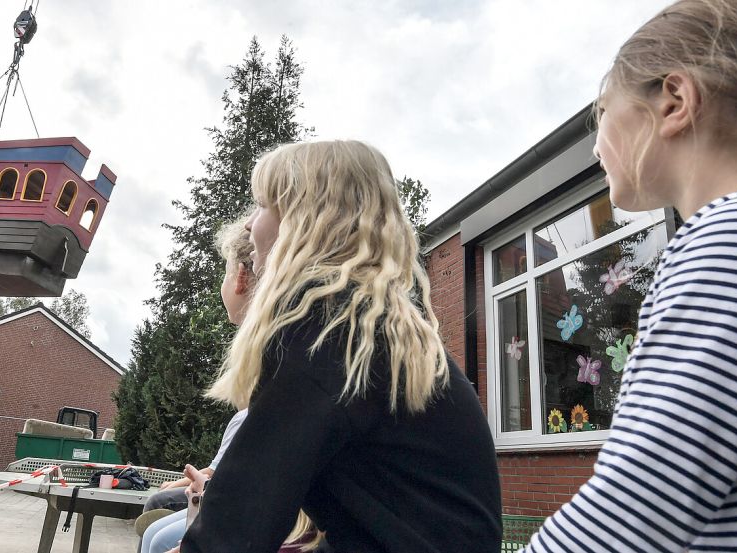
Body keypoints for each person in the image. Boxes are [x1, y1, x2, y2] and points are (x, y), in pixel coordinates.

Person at [180, 140, 501, 553]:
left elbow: (234, 530)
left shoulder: (325, 332)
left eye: (260, 206)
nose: (248, 226)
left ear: (303, 222)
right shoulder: (369, 328)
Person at [525, 1, 737, 550]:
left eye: (602, 112)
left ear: (674, 101)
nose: (593, 145)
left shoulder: (730, 240)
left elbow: (636, 508)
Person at [142, 214, 318, 553]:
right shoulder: (301, 352)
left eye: (225, 272)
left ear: (239, 276)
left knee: (161, 539)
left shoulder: (286, 362)